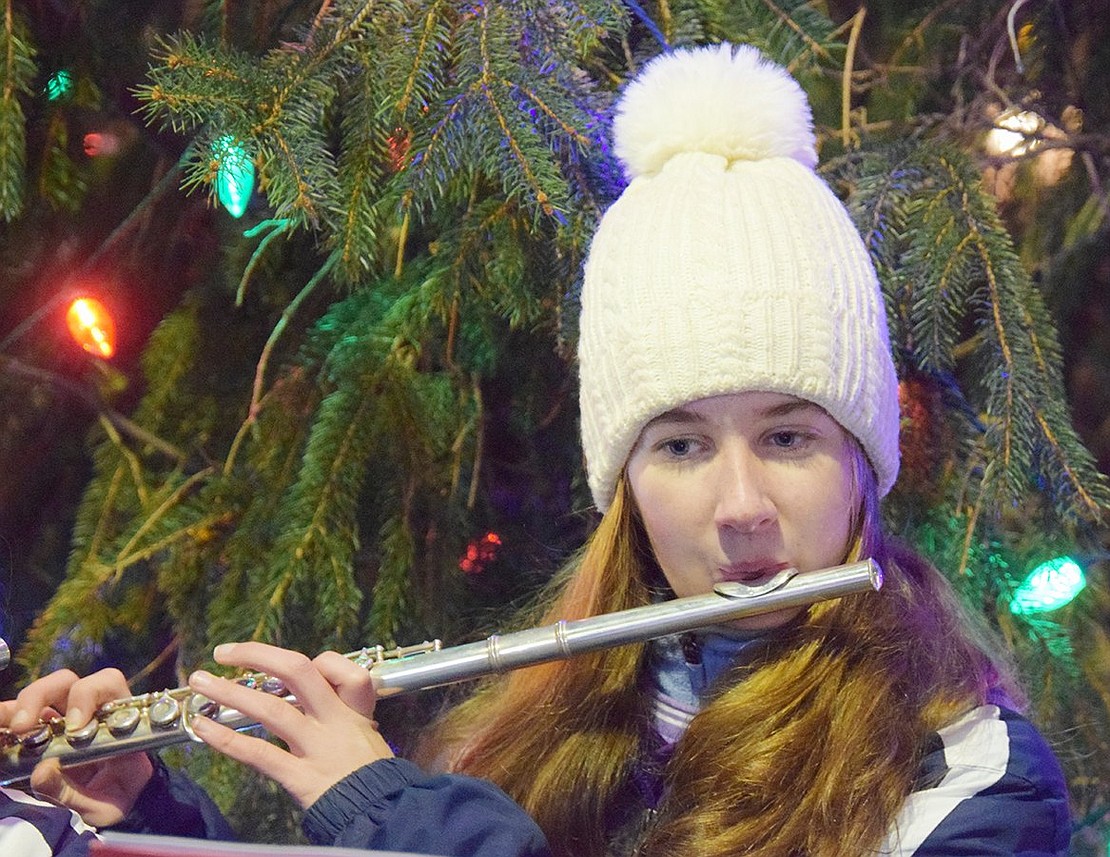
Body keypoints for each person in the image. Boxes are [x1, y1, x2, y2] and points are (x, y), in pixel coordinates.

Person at [0, 43, 1070, 857]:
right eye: (683, 445)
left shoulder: (976, 778)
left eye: (787, 435)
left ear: (864, 456)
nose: (740, 504)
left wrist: (399, 811)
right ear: (626, 485)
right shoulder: (558, 718)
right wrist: (148, 807)